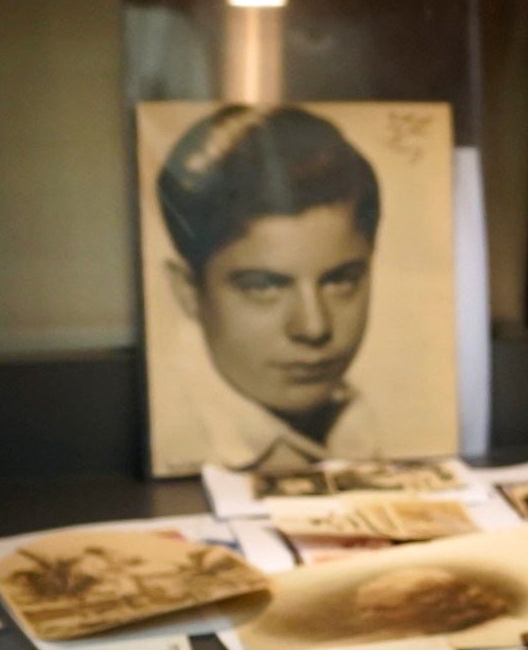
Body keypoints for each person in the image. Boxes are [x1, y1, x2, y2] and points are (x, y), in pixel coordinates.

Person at [153, 106, 385, 473]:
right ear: (187, 291)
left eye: (341, 280)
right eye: (263, 287)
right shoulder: (175, 443)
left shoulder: (366, 421)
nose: (314, 328)